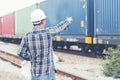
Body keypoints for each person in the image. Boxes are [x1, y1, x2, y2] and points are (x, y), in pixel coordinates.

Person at [17, 8, 73, 80]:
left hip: (35, 74)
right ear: (42, 22)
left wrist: (31, 58)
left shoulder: (27, 36)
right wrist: (67, 21)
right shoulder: (48, 33)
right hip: (48, 73)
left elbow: (20, 52)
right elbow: (58, 28)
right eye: (44, 20)